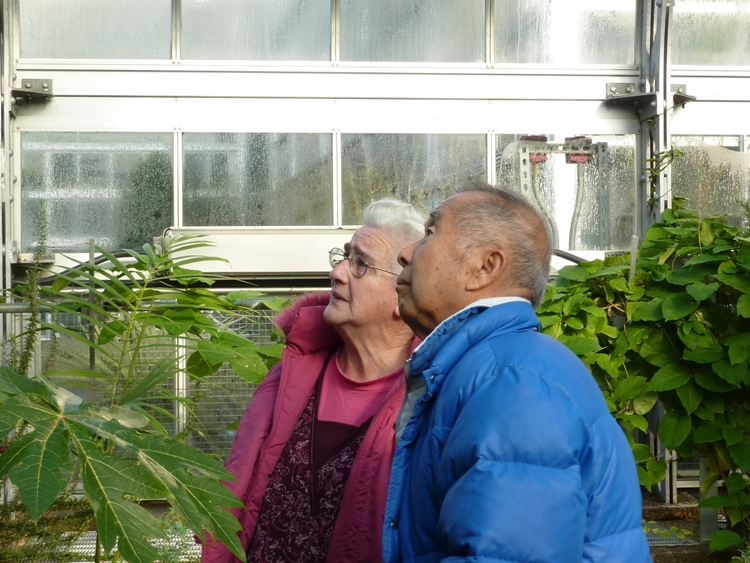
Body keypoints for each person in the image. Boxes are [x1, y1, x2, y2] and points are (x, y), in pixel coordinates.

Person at [383, 180, 651, 563]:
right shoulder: (496, 367)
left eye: (430, 232)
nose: (406, 253)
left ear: (484, 267)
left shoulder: (512, 380)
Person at [200, 199, 425, 563]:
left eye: (360, 264)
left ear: (404, 294)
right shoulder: (291, 375)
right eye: (342, 256)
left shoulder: (429, 393)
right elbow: (237, 491)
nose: (337, 272)